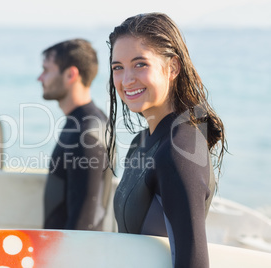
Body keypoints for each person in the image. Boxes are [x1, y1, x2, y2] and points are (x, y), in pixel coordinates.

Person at [106, 13, 227, 267]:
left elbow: (193, 261)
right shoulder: (142, 142)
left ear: (172, 68)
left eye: (140, 64)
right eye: (118, 67)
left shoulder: (180, 150)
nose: (127, 79)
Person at [38, 39, 112, 230]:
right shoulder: (88, 121)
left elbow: (84, 222)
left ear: (71, 74)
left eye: (46, 70)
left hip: (74, 255)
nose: (40, 78)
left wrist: (65, 259)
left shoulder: (85, 134)